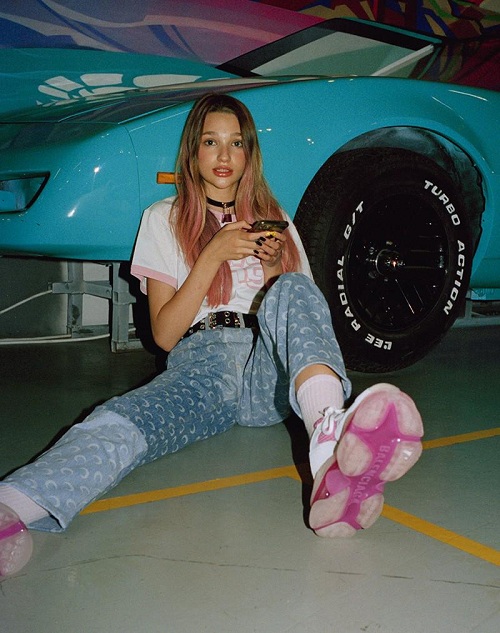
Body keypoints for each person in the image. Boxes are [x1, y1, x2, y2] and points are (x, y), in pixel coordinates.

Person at [0, 94, 423, 577]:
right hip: (203, 366)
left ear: (249, 153)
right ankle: (14, 503)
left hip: (270, 369)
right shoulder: (163, 217)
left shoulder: (276, 217)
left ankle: (326, 439)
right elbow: (164, 335)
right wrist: (213, 254)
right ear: (193, 152)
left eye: (236, 143)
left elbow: (301, 314)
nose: (224, 156)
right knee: (127, 418)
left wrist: (273, 267)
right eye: (210, 142)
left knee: (293, 287)